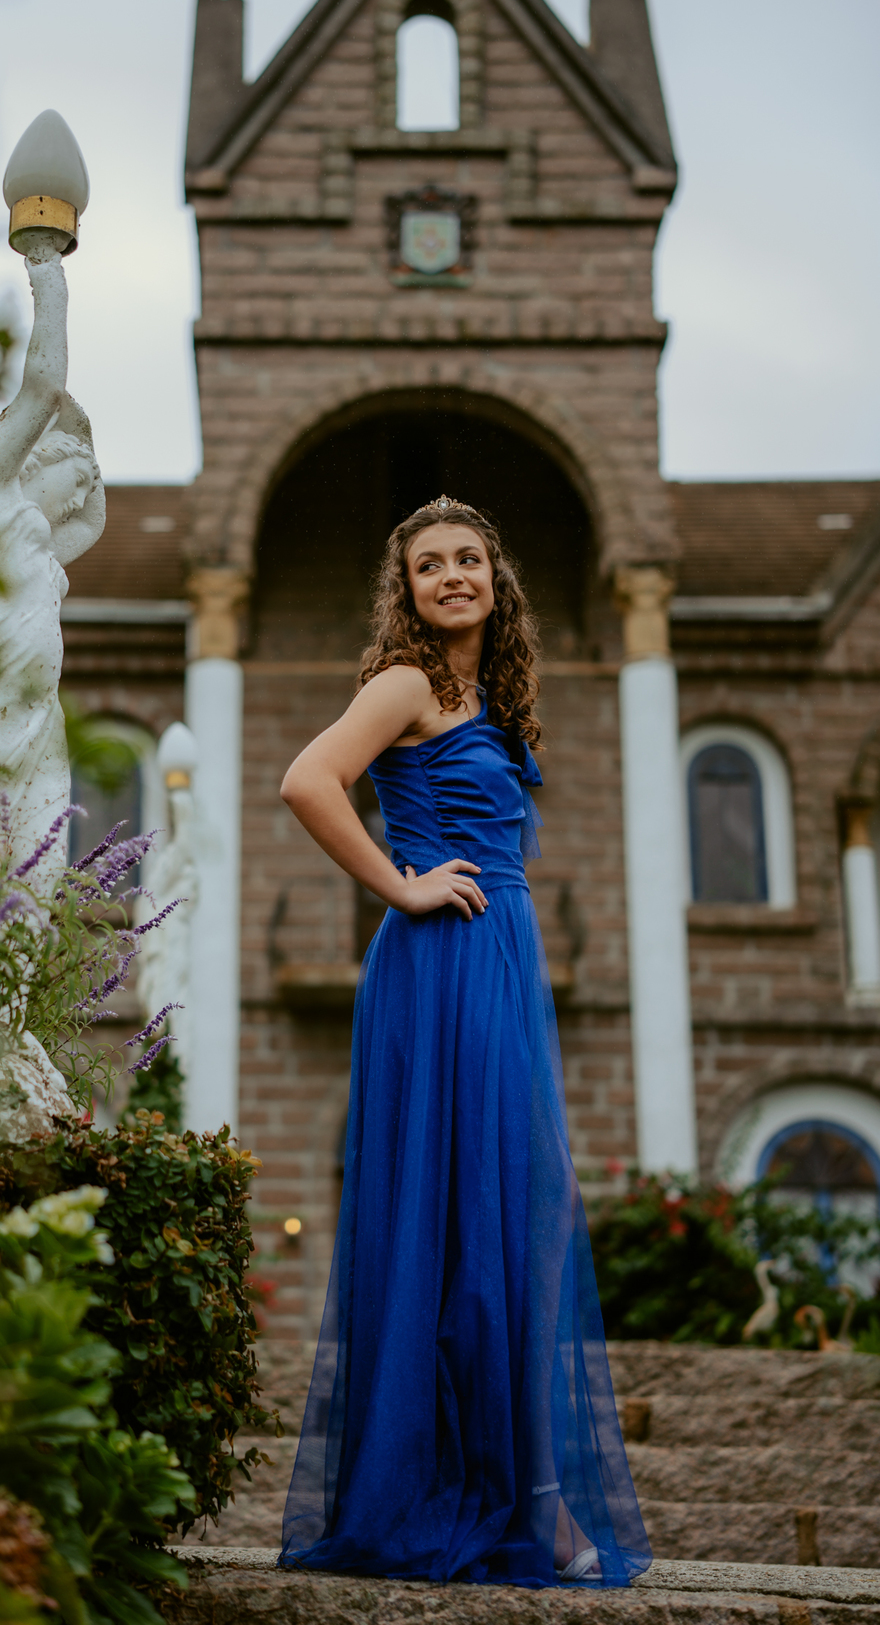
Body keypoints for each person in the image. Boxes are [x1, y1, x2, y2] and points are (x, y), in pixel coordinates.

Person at [277, 496, 650, 1588]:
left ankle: (524, 1501)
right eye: (429, 563)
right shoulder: (406, 683)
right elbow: (308, 780)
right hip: (443, 963)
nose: (451, 576)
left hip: (498, 961)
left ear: (496, 579)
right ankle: (530, 1509)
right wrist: (401, 884)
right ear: (408, 587)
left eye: (468, 559)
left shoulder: (490, 694)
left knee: (514, 1222)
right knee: (504, 1220)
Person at [0, 247, 105, 888]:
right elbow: (41, 392)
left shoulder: (43, 553)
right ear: (36, 461)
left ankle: (25, 987)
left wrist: (85, 436)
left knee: (38, 873)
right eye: (76, 479)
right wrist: (49, 275)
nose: (77, 499)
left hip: (42, 718)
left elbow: (92, 524)